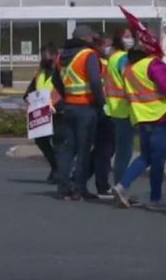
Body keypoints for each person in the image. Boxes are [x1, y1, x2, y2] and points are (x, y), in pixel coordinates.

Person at [112, 38, 166, 210]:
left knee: (145, 157)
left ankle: (121, 186)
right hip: (160, 117)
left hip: (142, 118)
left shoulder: (129, 69)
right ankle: (155, 199)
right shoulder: (153, 64)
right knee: (157, 161)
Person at [55, 25, 106, 200]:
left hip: (68, 106)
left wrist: (67, 95)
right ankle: (79, 188)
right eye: (92, 38)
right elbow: (95, 82)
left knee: (68, 149)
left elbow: (56, 80)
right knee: (84, 150)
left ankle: (63, 187)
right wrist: (100, 103)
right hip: (86, 107)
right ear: (87, 39)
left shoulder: (61, 56)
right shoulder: (88, 55)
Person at [23, 43, 64, 183]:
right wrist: (28, 97)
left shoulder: (62, 69)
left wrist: (59, 105)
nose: (43, 59)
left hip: (57, 111)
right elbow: (32, 88)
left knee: (58, 142)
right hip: (41, 111)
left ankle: (59, 172)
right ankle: (56, 167)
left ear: (54, 55)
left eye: (45, 55)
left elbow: (64, 90)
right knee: (41, 140)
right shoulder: (41, 71)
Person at [103, 29, 136, 189]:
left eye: (131, 37)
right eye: (127, 37)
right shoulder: (123, 58)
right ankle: (120, 187)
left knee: (121, 151)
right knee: (124, 152)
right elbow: (129, 81)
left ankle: (118, 185)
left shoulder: (112, 58)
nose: (130, 40)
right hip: (125, 109)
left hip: (115, 108)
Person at [86, 35, 116, 200]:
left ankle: (80, 178)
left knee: (100, 150)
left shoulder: (102, 61)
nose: (109, 49)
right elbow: (98, 84)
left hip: (107, 108)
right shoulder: (97, 61)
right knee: (105, 149)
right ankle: (102, 184)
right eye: (107, 45)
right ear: (99, 46)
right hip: (104, 109)